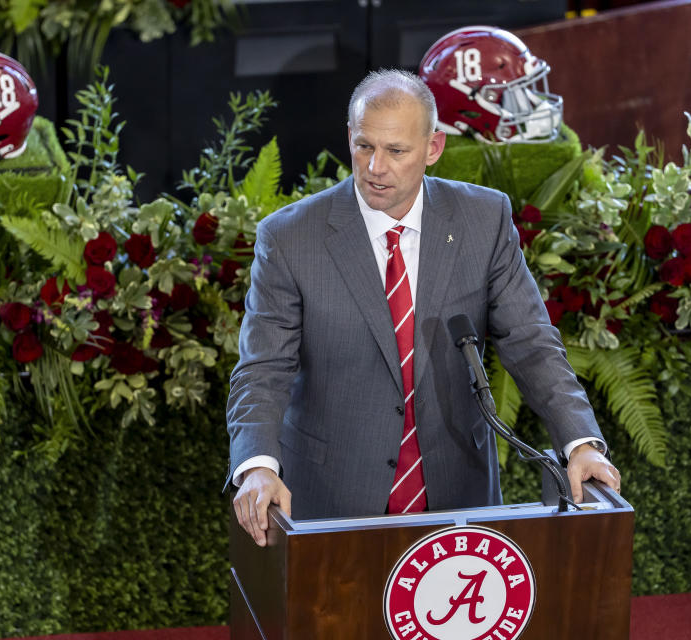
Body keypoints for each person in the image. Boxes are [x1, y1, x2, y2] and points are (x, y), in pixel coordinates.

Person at [227, 69, 621, 546]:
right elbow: (263, 367)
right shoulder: (290, 237)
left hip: (459, 491)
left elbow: (531, 342)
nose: (376, 167)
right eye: (365, 146)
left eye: (396, 151)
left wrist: (580, 441)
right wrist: (256, 466)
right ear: (349, 137)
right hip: (332, 497)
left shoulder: (484, 220)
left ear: (433, 148)